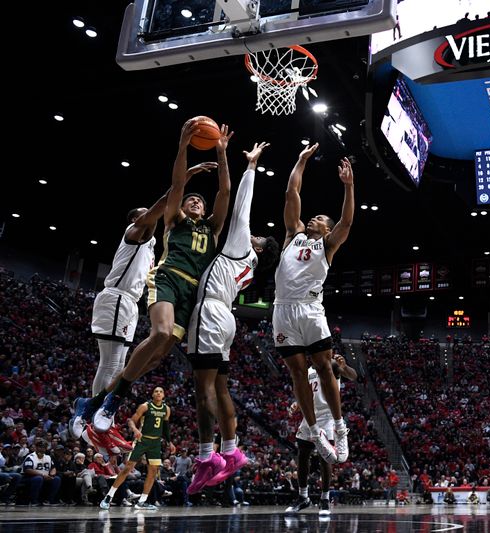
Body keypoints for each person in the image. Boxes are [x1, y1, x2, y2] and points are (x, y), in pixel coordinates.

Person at [89, 119, 233, 433]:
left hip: (191, 292)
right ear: (179, 206)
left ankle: (97, 399)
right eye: (190, 199)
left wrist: (222, 152)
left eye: (200, 201)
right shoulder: (175, 220)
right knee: (160, 333)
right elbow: (178, 185)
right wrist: (183, 147)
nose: (195, 200)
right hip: (168, 277)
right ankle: (115, 401)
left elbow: (224, 190)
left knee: (156, 358)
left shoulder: (212, 228)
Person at [185, 140, 279, 495]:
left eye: (258, 238)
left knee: (203, 388)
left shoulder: (241, 247)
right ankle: (231, 451)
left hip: (210, 313)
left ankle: (208, 456)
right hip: (225, 318)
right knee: (221, 387)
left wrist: (251, 167)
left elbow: (242, 207)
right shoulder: (251, 268)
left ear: (259, 248)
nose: (251, 234)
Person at [69, 182, 181, 446]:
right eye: (146, 214)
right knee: (110, 364)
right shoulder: (135, 232)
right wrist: (179, 183)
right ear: (136, 219)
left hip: (130, 303)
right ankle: (90, 415)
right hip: (117, 297)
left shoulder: (151, 246)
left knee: (120, 366)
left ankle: (96, 413)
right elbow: (157, 211)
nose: (152, 218)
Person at [273, 143, 354, 464]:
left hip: (309, 308)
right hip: (282, 309)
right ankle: (314, 429)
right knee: (296, 373)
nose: (312, 218)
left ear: (327, 229)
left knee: (323, 367)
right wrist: (300, 160)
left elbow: (346, 223)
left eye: (319, 218)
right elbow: (292, 193)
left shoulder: (329, 244)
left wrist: (349, 186)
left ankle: (338, 425)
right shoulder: (292, 234)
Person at [285, 353, 358, 516]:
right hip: (309, 414)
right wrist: (297, 404)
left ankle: (324, 499)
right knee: (302, 455)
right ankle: (303, 497)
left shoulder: (330, 365)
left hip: (328, 416)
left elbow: (353, 376)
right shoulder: (306, 371)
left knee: (325, 458)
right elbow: (308, 393)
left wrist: (345, 367)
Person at [99, 386, 176, 510]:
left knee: (153, 472)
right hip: (141, 440)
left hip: (155, 443)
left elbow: (165, 427)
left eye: (161, 391)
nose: (158, 393)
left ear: (163, 395)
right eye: (156, 391)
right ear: (152, 394)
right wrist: (135, 430)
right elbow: (131, 420)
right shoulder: (145, 406)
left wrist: (169, 442)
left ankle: (142, 501)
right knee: (127, 468)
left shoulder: (166, 409)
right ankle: (109, 496)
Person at [21, 439, 61, 506]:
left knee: (57, 479)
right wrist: (42, 475)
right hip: (30, 477)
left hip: (45, 477)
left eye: (44, 447)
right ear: (36, 447)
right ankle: (34, 501)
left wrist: (52, 474)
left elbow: (53, 468)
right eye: (40, 447)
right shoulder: (30, 457)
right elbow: (28, 470)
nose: (42, 449)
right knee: (38, 478)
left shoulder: (48, 457)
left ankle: (49, 500)